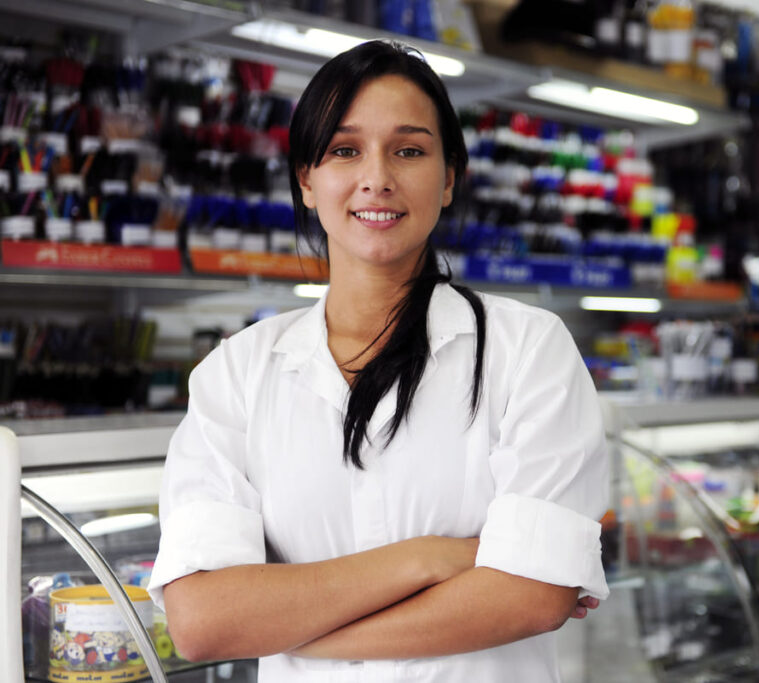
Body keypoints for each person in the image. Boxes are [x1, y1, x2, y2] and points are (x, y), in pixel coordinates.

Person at [147, 40, 609, 682]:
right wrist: (427, 559)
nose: (377, 178)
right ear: (307, 180)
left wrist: (296, 631)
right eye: (344, 150)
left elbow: (532, 596)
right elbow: (201, 621)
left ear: (449, 179)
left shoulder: (528, 349)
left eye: (410, 150)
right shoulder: (236, 375)